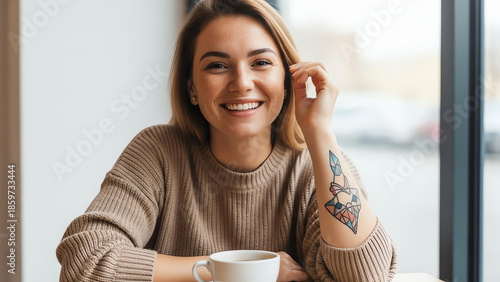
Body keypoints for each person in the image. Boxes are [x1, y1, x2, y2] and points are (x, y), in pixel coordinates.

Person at [56, 0, 397, 281]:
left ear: (287, 77)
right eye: (217, 65)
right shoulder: (158, 152)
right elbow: (85, 261)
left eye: (261, 62)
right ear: (191, 87)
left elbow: (366, 277)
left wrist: (319, 130)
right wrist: (246, 270)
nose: (242, 83)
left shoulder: (316, 164)